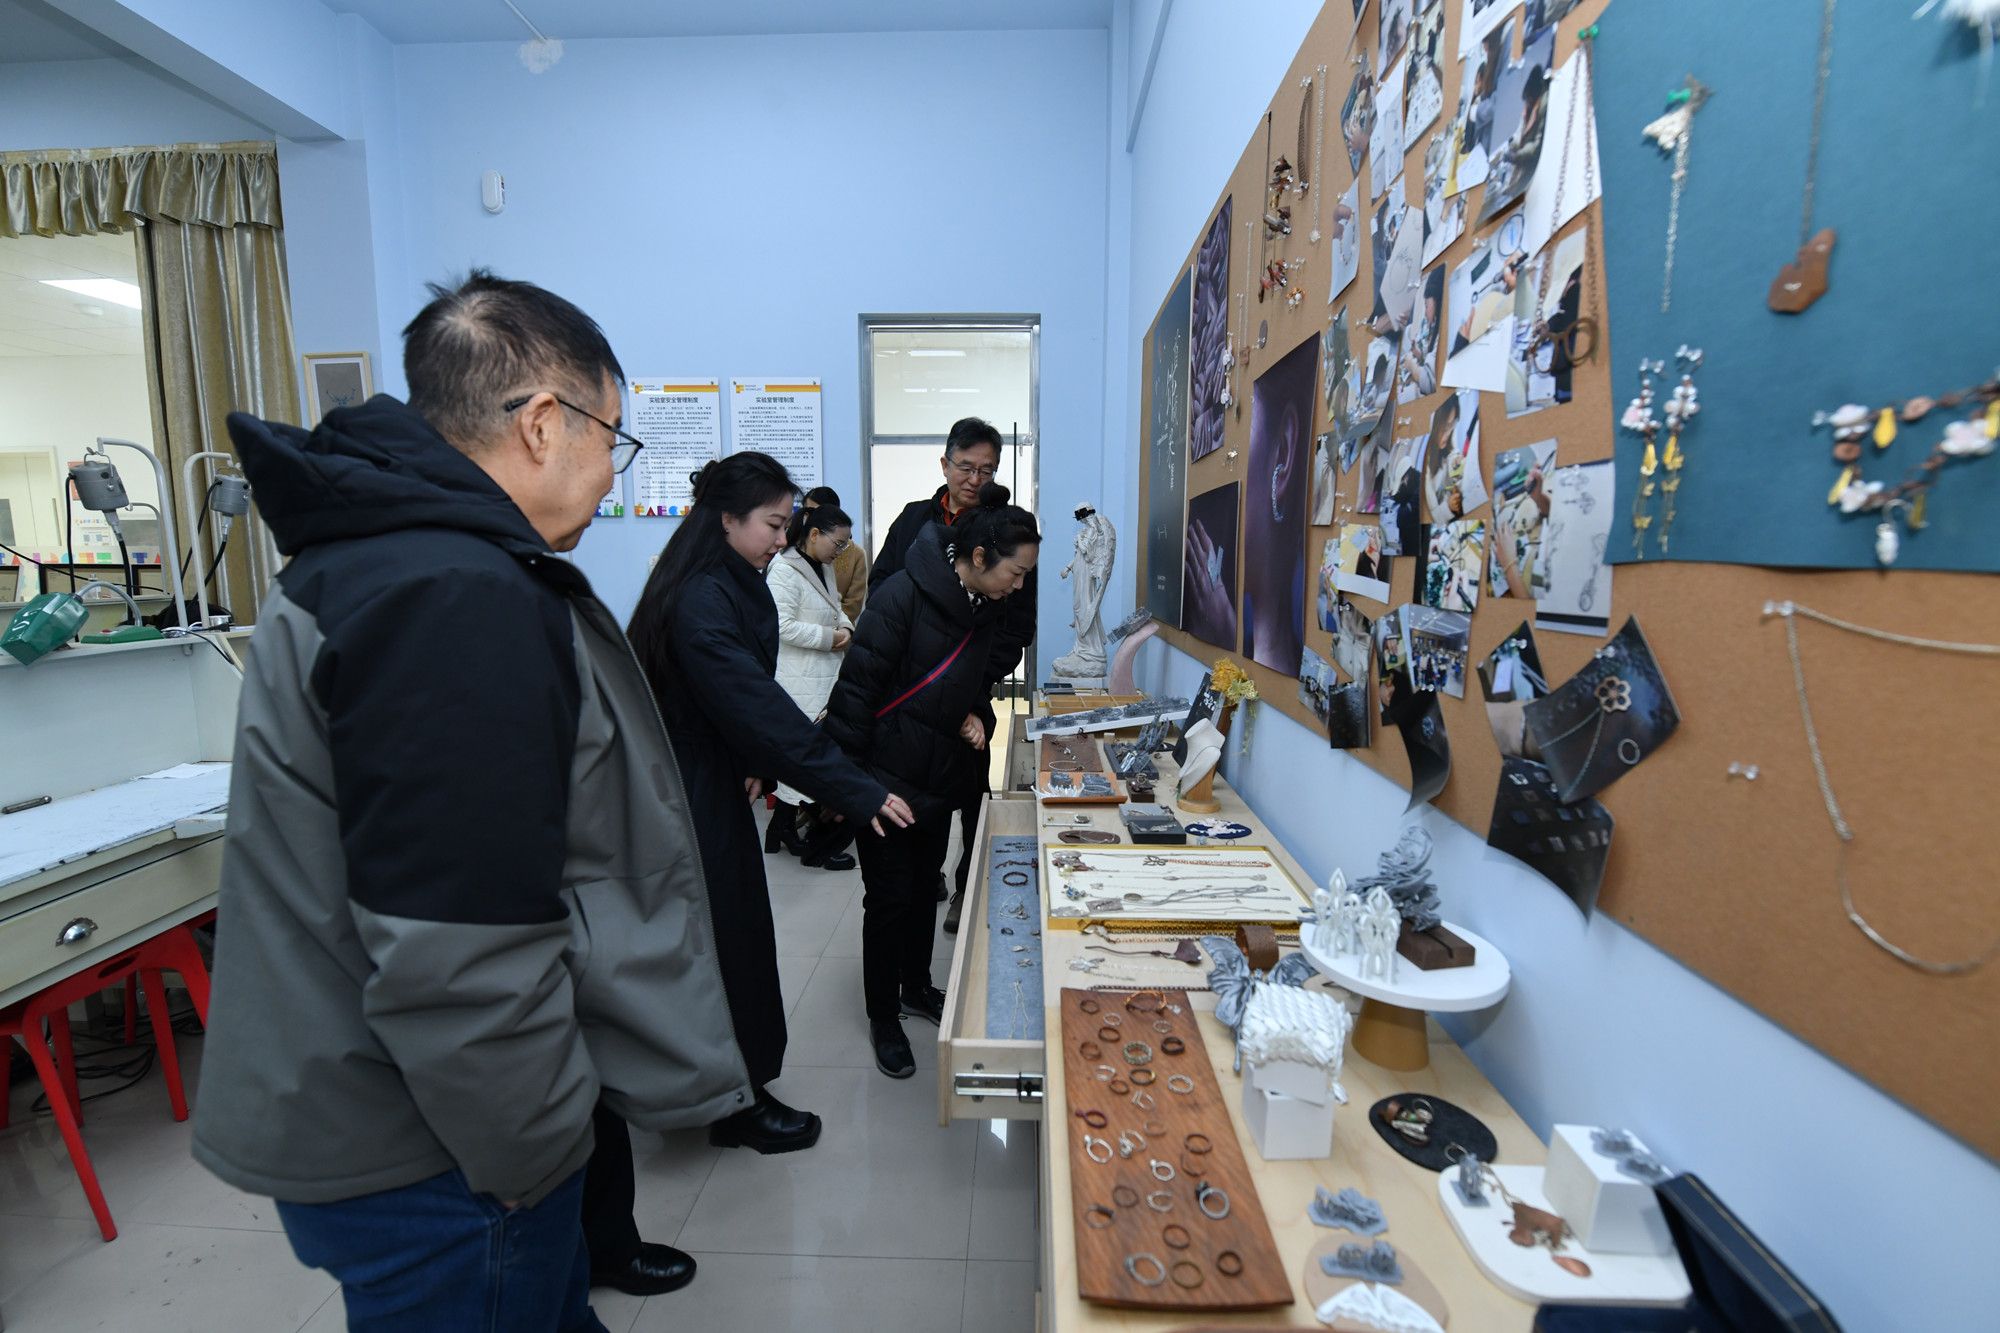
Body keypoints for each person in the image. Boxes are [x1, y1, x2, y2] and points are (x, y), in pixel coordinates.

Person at [193, 270, 751, 1329]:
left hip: (388, 1112)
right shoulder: (454, 597)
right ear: (543, 422)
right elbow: (456, 951)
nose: (610, 471)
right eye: (612, 439)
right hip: (440, 1157)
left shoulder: (379, 559)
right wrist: (532, 1155)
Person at [626, 452, 914, 1157]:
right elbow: (757, 706)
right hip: (686, 794)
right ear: (727, 519)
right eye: (773, 524)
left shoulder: (721, 577)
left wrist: (753, 760)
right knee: (728, 946)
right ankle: (735, 1103)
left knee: (726, 942)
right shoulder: (702, 596)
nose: (783, 539)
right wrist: (855, 788)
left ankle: (717, 1090)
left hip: (706, 776)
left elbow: (732, 706)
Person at [825, 486, 1041, 1077]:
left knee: (925, 889)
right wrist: (854, 789)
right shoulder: (901, 596)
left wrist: (977, 716)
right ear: (979, 557)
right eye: (1016, 573)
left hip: (938, 773)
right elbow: (855, 695)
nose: (1019, 585)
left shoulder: (984, 606)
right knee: (888, 900)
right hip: (884, 781)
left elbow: (968, 681)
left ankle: (916, 986)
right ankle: (882, 1016)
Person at [870, 416, 1036, 934]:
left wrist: (968, 685)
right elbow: (881, 592)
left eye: (987, 470)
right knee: (916, 792)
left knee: (972, 793)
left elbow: (1016, 627)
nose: (975, 479)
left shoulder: (1009, 529)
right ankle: (928, 876)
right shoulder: (913, 520)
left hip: (970, 693)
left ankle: (968, 885)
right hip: (913, 693)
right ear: (945, 464)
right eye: (966, 467)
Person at [766, 501, 861, 870]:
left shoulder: (823, 567)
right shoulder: (783, 570)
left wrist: (846, 628)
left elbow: (836, 607)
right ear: (815, 534)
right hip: (800, 677)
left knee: (807, 758)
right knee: (808, 759)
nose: (841, 551)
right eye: (838, 543)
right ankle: (811, 839)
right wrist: (829, 638)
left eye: (845, 545)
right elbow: (781, 626)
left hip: (824, 674)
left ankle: (781, 829)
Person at [803, 485, 868, 620]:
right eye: (808, 512)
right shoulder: (790, 549)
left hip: (838, 629)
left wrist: (833, 627)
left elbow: (853, 606)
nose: (812, 518)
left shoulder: (856, 554)